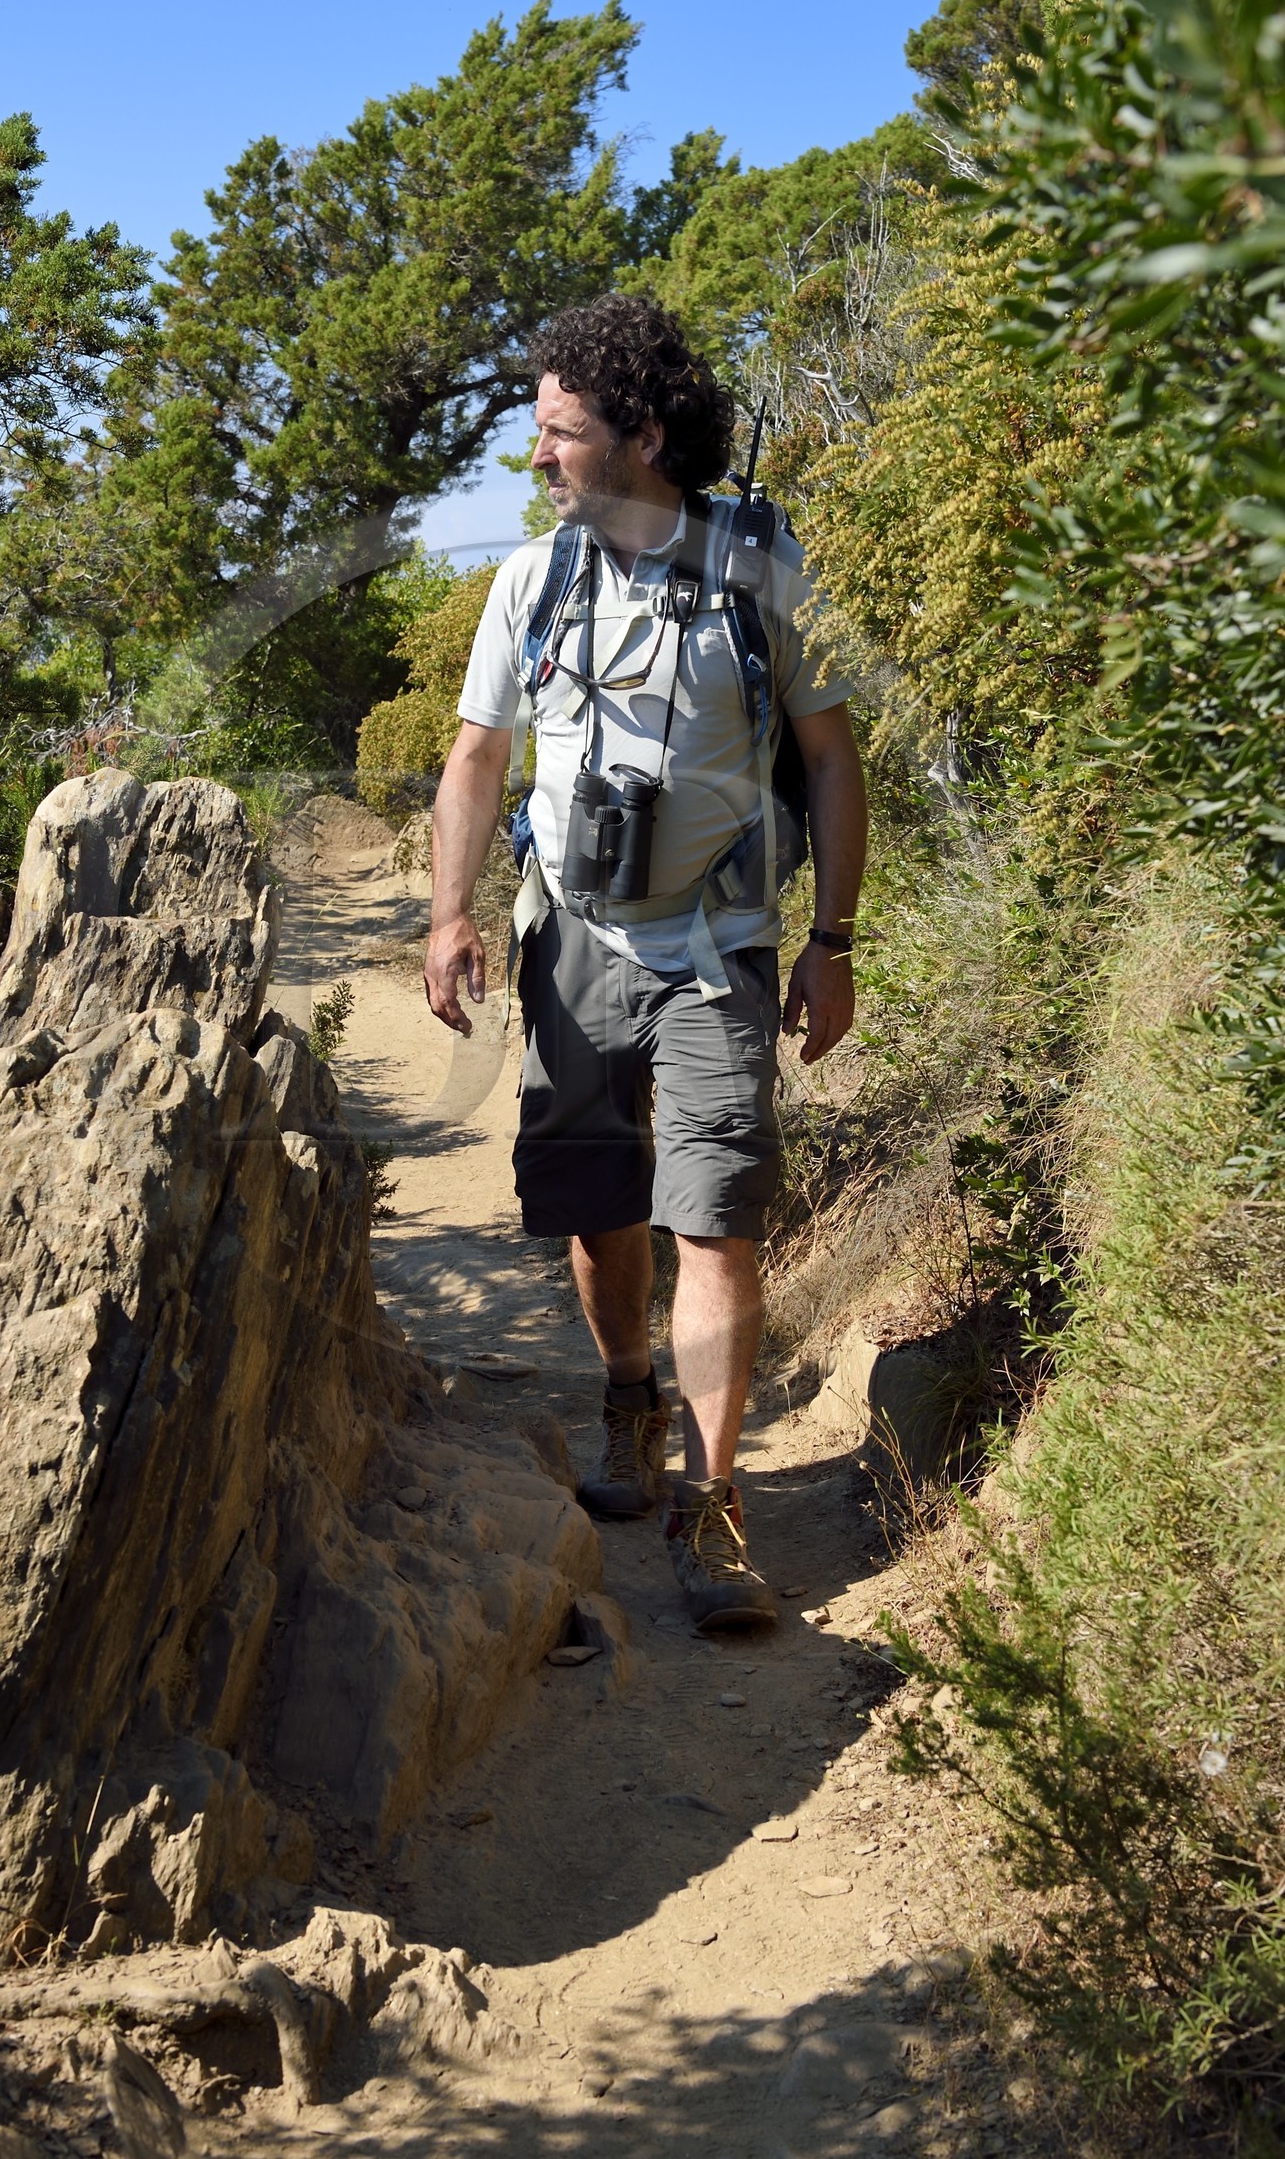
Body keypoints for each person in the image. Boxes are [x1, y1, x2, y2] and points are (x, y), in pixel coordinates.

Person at [423, 294, 867, 1630]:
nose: (542, 456)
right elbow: (476, 758)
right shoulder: (531, 579)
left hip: (719, 940)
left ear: (645, 435)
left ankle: (716, 1513)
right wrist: (450, 912)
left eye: (562, 433)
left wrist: (835, 943)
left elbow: (836, 760)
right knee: (597, 1204)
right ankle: (630, 1398)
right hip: (572, 937)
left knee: (714, 1214)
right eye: (540, 432)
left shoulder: (763, 560)